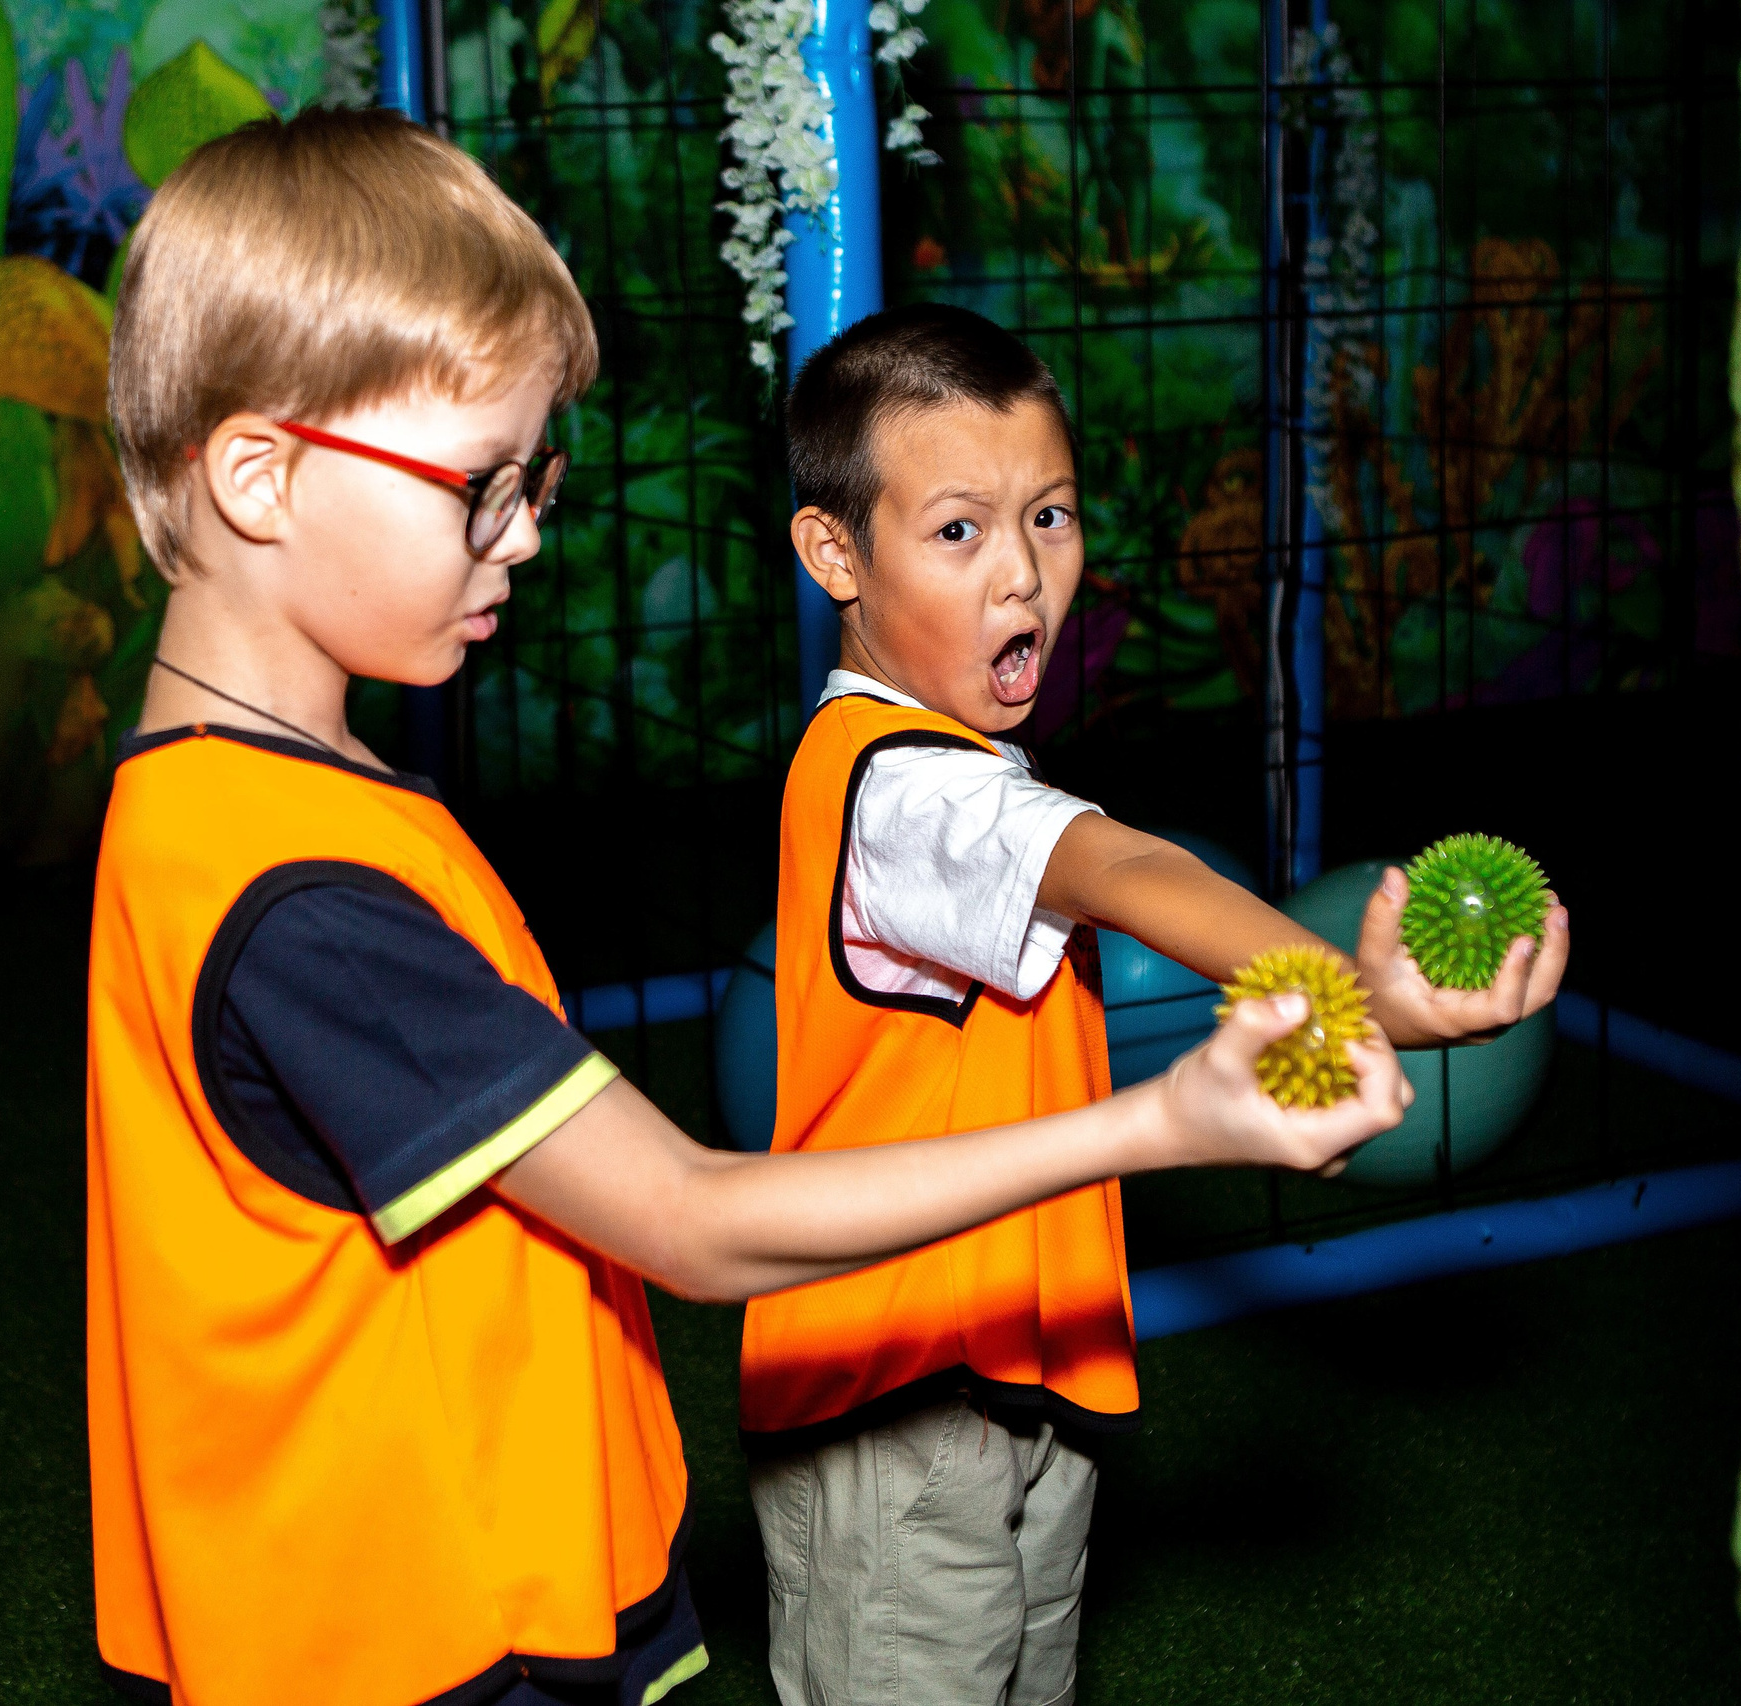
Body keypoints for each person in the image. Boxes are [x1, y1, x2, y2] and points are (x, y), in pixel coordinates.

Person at [87, 110, 1411, 1706]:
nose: (527, 527)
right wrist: (1165, 1121)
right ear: (256, 472)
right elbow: (693, 1220)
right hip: (423, 1637)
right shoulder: (295, 893)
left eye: (537, 475)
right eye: (479, 484)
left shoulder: (235, 798)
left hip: (442, 1575)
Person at [746, 302, 1573, 1706]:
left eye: (1050, 517)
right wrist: (1333, 989)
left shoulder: (955, 759)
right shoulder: (900, 784)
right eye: (959, 531)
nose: (1021, 575)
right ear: (836, 552)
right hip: (895, 1392)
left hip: (1027, 1355)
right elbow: (1118, 864)